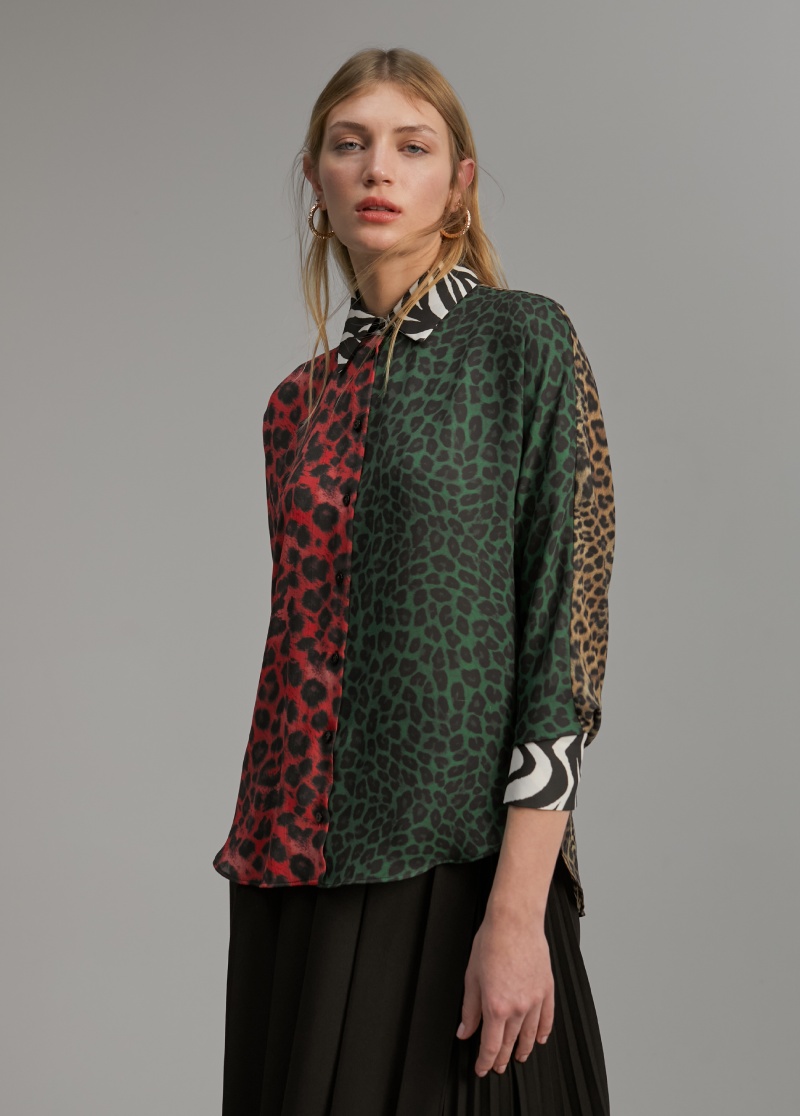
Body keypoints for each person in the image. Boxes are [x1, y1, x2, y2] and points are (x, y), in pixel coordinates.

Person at [213, 46, 616, 1116]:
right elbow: (304, 643)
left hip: (456, 862)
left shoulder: (520, 342)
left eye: (412, 145)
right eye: (349, 145)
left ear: (459, 180)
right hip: (290, 863)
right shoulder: (294, 406)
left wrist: (516, 911)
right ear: (317, 179)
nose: (378, 169)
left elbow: (563, 641)